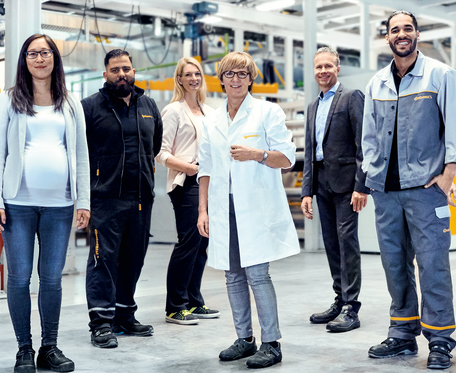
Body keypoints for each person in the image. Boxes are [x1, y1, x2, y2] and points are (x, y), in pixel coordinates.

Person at [361, 10, 456, 370]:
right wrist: (371, 175)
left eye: (407, 28)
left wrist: (449, 172)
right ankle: (402, 333)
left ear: (417, 34)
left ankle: (439, 339)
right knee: (394, 264)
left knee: (433, 263)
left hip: (425, 188)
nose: (401, 34)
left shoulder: (440, 75)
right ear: (387, 38)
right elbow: (368, 136)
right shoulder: (377, 82)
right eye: (395, 30)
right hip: (386, 191)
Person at [0, 34, 89, 373]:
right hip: (17, 203)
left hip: (60, 206)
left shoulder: (71, 103)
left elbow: (81, 155)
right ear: (24, 60)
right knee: (18, 279)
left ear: (54, 58)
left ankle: (49, 347)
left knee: (52, 279)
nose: (39, 59)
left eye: (45, 52)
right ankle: (23, 349)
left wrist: (84, 201)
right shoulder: (10, 99)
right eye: (32, 54)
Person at [197, 51, 299, 369]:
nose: (236, 79)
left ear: (251, 78)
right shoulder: (211, 120)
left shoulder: (267, 112)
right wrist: (202, 211)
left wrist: (258, 154)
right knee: (232, 275)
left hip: (256, 207)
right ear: (221, 79)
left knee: (257, 274)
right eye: (230, 74)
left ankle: (271, 343)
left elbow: (288, 158)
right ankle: (244, 339)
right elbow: (205, 169)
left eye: (243, 73)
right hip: (223, 206)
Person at [82, 49, 163, 348]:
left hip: (141, 197)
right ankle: (101, 323)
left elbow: (154, 145)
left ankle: (124, 315)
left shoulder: (148, 105)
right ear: (105, 74)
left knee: (133, 259)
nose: (121, 74)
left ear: (133, 71)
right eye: (115, 70)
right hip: (105, 198)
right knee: (103, 260)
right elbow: (80, 152)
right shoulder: (90, 107)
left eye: (126, 69)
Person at [300, 47, 368, 333]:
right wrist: (306, 191)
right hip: (322, 182)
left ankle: (351, 306)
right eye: (319, 67)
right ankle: (340, 299)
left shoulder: (351, 97)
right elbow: (309, 150)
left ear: (338, 69)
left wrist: (361, 186)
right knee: (331, 241)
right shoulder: (312, 107)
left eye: (328, 66)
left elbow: (364, 142)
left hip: (347, 182)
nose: (323, 71)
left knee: (346, 240)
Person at [157, 57, 219, 325]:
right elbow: (160, 153)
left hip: (209, 181)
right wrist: (189, 168)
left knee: (202, 243)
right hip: (186, 181)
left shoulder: (210, 112)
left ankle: (194, 301)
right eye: (188, 74)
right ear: (179, 79)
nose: (194, 78)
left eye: (197, 74)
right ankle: (175, 306)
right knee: (189, 240)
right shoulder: (173, 111)